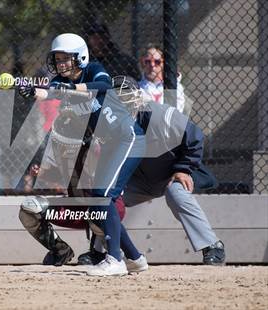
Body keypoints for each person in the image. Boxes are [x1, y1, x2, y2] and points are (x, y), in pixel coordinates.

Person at [18, 33, 147, 276]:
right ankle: (135, 258)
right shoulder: (60, 82)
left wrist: (71, 88)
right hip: (111, 144)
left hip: (128, 138)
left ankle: (115, 260)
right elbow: (49, 92)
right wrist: (31, 90)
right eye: (57, 59)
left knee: (102, 197)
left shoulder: (94, 70)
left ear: (81, 58)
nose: (61, 64)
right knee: (101, 199)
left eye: (66, 59)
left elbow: (104, 85)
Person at [79, 75, 226, 266]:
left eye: (125, 98)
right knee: (105, 197)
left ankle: (212, 245)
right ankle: (98, 251)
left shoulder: (160, 115)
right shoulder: (109, 126)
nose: (121, 106)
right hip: (139, 180)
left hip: (171, 173)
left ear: (137, 99)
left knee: (176, 193)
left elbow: (195, 136)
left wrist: (184, 168)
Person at [139, 44, 186, 113]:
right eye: (148, 61)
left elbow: (175, 113)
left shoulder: (175, 86)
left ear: (163, 64)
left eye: (157, 62)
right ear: (142, 63)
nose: (152, 65)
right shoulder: (136, 87)